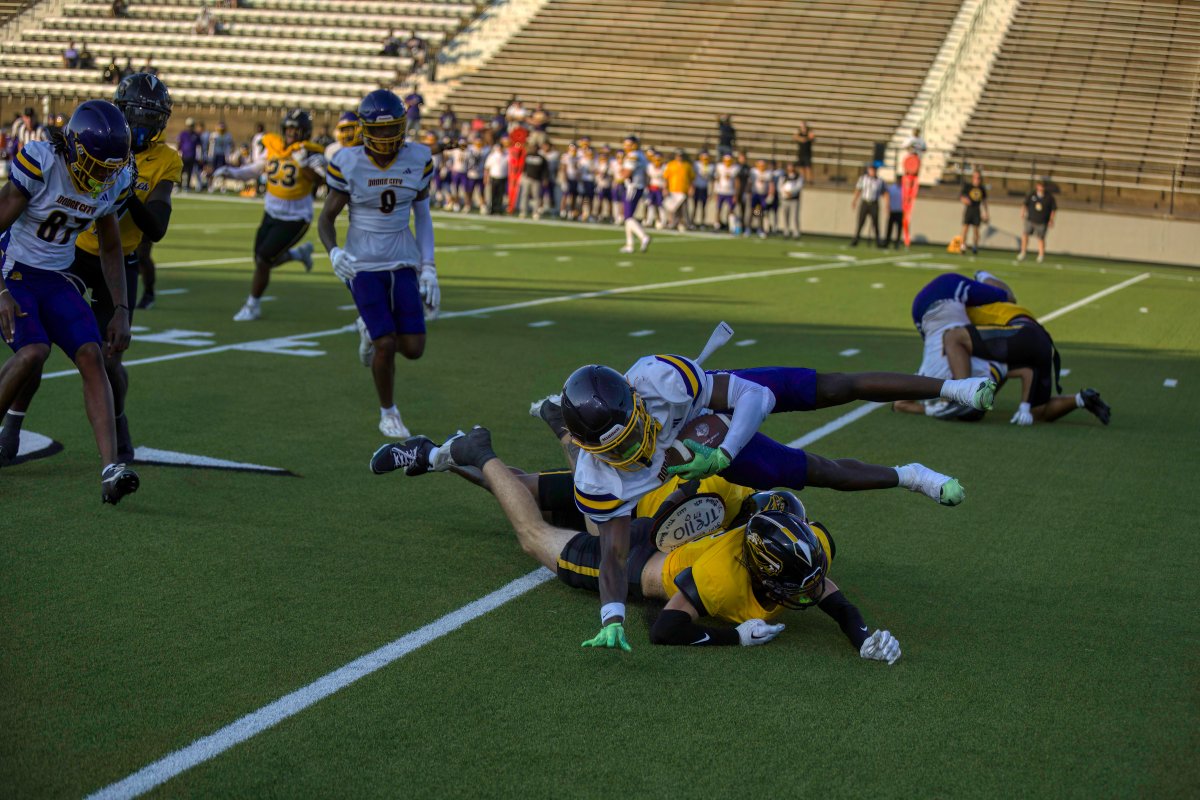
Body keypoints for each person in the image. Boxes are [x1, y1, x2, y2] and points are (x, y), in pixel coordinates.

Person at [452, 348, 993, 649]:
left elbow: (755, 396)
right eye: (619, 447)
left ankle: (950, 391)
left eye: (635, 429)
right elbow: (612, 552)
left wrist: (724, 452)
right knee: (811, 470)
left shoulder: (659, 380)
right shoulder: (599, 478)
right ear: (595, 450)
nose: (638, 447)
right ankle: (910, 474)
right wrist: (611, 615)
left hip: (712, 430)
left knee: (832, 387)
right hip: (690, 474)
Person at [372, 427, 902, 660]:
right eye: (796, 584)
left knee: (535, 496)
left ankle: (437, 456)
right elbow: (665, 628)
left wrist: (861, 635)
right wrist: (733, 640)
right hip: (635, 566)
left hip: (657, 534)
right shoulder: (720, 579)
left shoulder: (804, 546)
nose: (810, 591)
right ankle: (478, 451)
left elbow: (827, 591)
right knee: (533, 535)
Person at [1, 77, 179, 464]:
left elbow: (144, 233)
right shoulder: (58, 156)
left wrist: (122, 310)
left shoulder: (145, 167)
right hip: (67, 257)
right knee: (35, 348)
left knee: (103, 357)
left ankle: (115, 440)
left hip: (109, 261)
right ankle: (13, 421)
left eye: (152, 118)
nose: (144, 125)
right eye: (138, 116)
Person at [0, 100, 139, 503]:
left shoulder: (114, 180)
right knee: (33, 351)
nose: (102, 177)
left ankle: (111, 469)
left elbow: (110, 246)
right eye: (96, 166)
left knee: (92, 354)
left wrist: (121, 309)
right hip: (14, 271)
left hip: (57, 278)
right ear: (75, 148)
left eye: (110, 169)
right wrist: (1, 291)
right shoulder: (43, 162)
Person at [318, 89, 437, 439]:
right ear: (365, 129)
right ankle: (388, 412)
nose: (386, 136)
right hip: (362, 264)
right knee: (385, 343)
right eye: (379, 129)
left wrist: (429, 267)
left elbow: (423, 215)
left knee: (413, 348)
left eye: (391, 128)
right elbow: (326, 219)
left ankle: (369, 327)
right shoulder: (348, 161)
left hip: (403, 259)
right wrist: (334, 252)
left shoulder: (418, 157)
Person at [903, 272, 1109, 425]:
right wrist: (1025, 406)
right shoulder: (967, 312)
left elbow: (1007, 296)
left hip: (1023, 331)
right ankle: (1082, 399)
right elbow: (1026, 371)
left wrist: (984, 277)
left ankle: (962, 395)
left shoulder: (968, 308)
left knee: (953, 337)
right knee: (1039, 412)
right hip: (1041, 342)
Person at [214, 109, 323, 321]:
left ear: (305, 132)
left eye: (296, 129)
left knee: (264, 259)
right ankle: (298, 255)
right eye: (288, 129)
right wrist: (231, 173)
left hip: (295, 217)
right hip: (271, 212)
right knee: (261, 259)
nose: (291, 133)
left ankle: (252, 305)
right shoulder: (275, 147)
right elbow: (255, 169)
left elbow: (321, 180)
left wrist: (303, 164)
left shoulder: (312, 153)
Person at [618, 136, 651, 252]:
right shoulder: (641, 155)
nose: (626, 147)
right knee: (628, 217)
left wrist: (620, 168)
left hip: (632, 187)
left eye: (628, 144)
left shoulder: (633, 155)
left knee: (628, 217)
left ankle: (643, 236)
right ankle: (630, 244)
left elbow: (626, 174)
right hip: (638, 186)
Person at [1018, 178, 1056, 263]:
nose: (1041, 188)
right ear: (1037, 186)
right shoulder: (1032, 194)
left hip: (1042, 221)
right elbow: (1025, 204)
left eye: (1043, 186)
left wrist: (1051, 220)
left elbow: (1053, 209)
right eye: (1040, 186)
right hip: (1030, 219)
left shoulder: (1049, 197)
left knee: (1041, 238)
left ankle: (1041, 255)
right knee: (1025, 235)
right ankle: (1023, 253)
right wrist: (1022, 213)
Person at [850, 164, 883, 247]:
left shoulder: (879, 181)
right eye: (871, 170)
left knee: (875, 223)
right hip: (865, 202)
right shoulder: (863, 179)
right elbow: (858, 189)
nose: (872, 172)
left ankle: (878, 241)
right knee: (860, 222)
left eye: (873, 170)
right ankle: (855, 240)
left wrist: (887, 205)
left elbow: (884, 192)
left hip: (874, 203)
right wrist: (854, 201)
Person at [662, 149, 694, 231]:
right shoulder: (671, 165)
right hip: (673, 189)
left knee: (684, 209)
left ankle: (687, 223)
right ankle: (673, 223)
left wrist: (691, 188)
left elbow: (691, 178)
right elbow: (666, 177)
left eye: (681, 156)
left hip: (683, 190)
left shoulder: (687, 165)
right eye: (678, 156)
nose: (679, 157)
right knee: (673, 208)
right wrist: (665, 188)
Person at [958, 169, 988, 256]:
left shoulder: (982, 188)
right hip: (969, 209)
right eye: (975, 177)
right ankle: (962, 246)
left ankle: (975, 246)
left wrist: (986, 213)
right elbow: (961, 197)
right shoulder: (968, 186)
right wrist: (964, 200)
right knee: (965, 229)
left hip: (977, 210)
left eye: (979, 178)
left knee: (976, 231)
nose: (977, 180)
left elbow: (984, 202)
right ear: (973, 178)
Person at [484, 136, 508, 215]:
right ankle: (492, 209)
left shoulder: (506, 155)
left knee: (500, 195)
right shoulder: (493, 156)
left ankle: (499, 209)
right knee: (493, 194)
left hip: (503, 177)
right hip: (494, 177)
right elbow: (487, 167)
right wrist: (486, 177)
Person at [778, 162, 803, 238]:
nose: (790, 168)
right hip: (785, 199)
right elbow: (779, 186)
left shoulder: (798, 176)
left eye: (791, 167)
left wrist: (791, 193)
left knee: (795, 216)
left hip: (794, 199)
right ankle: (786, 231)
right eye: (789, 167)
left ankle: (796, 232)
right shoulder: (784, 176)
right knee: (786, 216)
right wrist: (784, 193)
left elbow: (798, 187)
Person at [713, 153, 736, 230]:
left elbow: (736, 182)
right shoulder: (720, 167)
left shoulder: (734, 168)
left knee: (731, 209)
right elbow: (717, 179)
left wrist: (735, 194)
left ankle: (731, 226)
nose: (727, 162)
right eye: (726, 161)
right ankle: (717, 225)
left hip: (730, 192)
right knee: (718, 209)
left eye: (729, 161)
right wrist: (716, 191)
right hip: (721, 191)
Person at [691, 150, 712, 229]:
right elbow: (692, 176)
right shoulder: (696, 165)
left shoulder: (710, 166)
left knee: (703, 207)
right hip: (697, 187)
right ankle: (692, 221)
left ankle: (702, 222)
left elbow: (711, 179)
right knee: (695, 206)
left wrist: (711, 191)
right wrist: (692, 187)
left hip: (704, 187)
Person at [885, 175, 904, 248]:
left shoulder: (904, 189)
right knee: (889, 228)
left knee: (899, 229)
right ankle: (887, 242)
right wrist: (888, 207)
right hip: (892, 210)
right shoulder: (891, 188)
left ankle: (897, 243)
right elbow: (887, 197)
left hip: (900, 211)